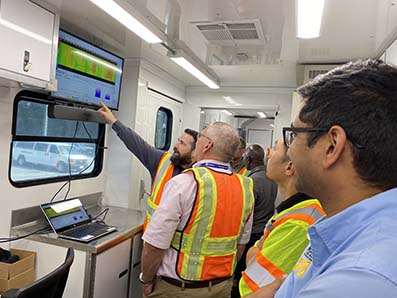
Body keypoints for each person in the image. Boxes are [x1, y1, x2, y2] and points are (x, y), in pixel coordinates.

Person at [254, 59, 397, 298]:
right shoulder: (350, 230)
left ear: (332, 146)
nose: (289, 151)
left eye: (295, 134)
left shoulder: (358, 280)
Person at [140, 121, 255, 298]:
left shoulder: (184, 183)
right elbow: (240, 245)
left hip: (179, 289)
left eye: (201, 136)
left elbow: (155, 246)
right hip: (222, 288)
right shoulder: (245, 187)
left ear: (207, 144)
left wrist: (146, 280)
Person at [239, 138, 324, 297]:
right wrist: (257, 250)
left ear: (289, 167)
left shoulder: (300, 222)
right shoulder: (294, 209)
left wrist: (257, 249)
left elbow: (254, 281)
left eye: (273, 150)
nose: (268, 156)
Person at [98, 102, 198, 228]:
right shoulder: (162, 161)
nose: (176, 146)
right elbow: (137, 144)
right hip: (153, 239)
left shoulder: (200, 177)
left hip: (177, 245)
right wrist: (113, 121)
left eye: (183, 143)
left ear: (195, 153)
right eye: (178, 140)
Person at [231, 144, 277, 298]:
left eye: (245, 158)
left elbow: (245, 212)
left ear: (249, 160)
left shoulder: (252, 181)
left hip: (251, 237)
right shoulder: (271, 178)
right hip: (263, 233)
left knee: (242, 274)